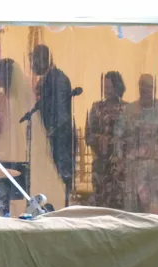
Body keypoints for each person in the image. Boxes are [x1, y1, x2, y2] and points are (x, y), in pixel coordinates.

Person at [31, 44, 75, 205]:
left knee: (60, 178)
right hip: (49, 140)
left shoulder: (59, 80)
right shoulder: (46, 80)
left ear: (42, 60)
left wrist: (49, 134)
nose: (32, 67)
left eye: (34, 62)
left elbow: (62, 115)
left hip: (59, 142)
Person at [115, 74, 158, 214]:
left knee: (154, 205)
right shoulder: (128, 110)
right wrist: (119, 158)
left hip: (156, 166)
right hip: (133, 165)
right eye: (142, 86)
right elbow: (118, 136)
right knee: (133, 204)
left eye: (148, 86)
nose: (145, 90)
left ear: (154, 88)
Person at [85, 71, 126, 209]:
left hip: (120, 164)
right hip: (101, 162)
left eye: (110, 87)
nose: (107, 90)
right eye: (105, 87)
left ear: (118, 87)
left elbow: (131, 136)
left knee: (118, 201)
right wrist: (100, 139)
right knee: (100, 200)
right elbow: (89, 135)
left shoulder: (126, 109)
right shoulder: (97, 108)